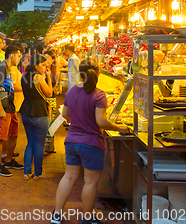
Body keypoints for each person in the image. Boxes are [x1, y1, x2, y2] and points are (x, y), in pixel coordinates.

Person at [51, 58, 129, 224]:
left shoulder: (71, 91)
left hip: (71, 141)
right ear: (98, 73)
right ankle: (87, 218)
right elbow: (101, 121)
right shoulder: (99, 94)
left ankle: (57, 214)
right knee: (90, 182)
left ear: (80, 73)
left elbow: (65, 115)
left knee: (69, 177)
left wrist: (77, 120)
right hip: (91, 144)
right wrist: (119, 127)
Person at [0, 44, 23, 177]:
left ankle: (8, 160)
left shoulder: (9, 68)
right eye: (19, 56)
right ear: (12, 55)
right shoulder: (1, 67)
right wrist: (1, 109)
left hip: (10, 107)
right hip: (1, 109)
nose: (20, 59)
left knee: (13, 134)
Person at [20, 54, 52, 180]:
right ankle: (38, 173)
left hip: (26, 111)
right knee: (39, 145)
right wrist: (48, 78)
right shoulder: (38, 77)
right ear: (36, 65)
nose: (45, 68)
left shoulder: (24, 76)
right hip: (39, 113)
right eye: (43, 65)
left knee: (30, 144)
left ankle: (27, 172)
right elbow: (49, 93)